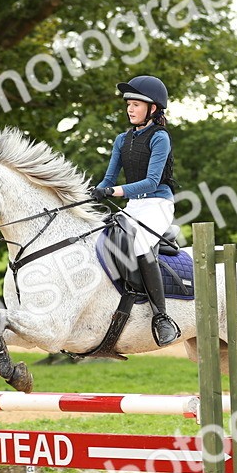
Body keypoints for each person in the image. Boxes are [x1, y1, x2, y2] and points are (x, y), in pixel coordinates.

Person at [90, 75, 180, 347]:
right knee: (100, 238)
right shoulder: (122, 139)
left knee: (139, 244)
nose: (130, 108)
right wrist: (92, 192)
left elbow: (152, 182)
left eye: (136, 104)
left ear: (153, 109)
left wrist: (114, 192)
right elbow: (108, 180)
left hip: (158, 204)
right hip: (134, 206)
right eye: (128, 103)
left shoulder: (160, 138)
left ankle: (162, 317)